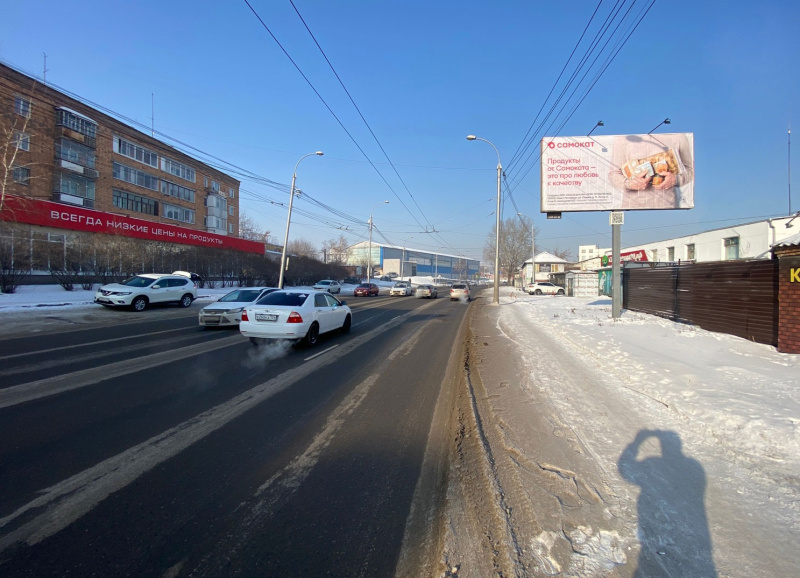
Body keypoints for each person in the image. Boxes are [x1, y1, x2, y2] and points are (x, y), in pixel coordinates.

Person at [608, 133, 694, 209]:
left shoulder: (678, 137)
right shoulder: (622, 139)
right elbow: (613, 174)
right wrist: (629, 184)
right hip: (632, 208)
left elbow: (690, 170)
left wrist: (676, 179)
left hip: (667, 207)